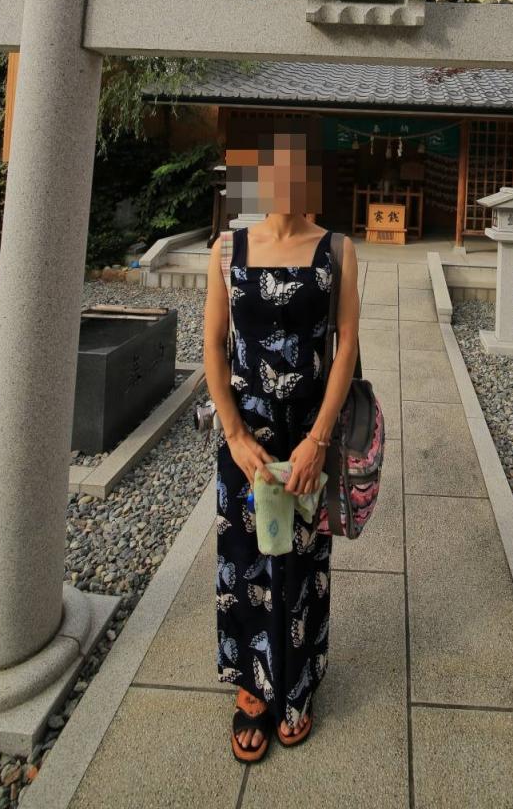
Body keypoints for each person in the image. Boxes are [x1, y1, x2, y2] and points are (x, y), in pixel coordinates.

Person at [203, 125, 359, 763]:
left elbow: (345, 345)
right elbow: (213, 345)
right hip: (247, 436)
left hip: (307, 434)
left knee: (302, 559)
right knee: (245, 558)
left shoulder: (338, 250)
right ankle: (251, 685)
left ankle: (296, 682)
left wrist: (320, 439)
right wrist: (234, 434)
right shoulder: (227, 249)